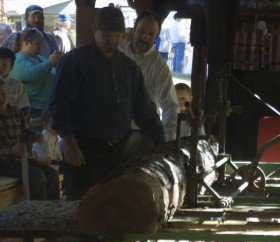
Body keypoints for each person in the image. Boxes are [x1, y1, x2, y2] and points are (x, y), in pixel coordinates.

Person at [48, 5, 166, 201]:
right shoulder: (74, 61)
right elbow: (59, 105)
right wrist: (69, 145)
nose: (112, 41)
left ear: (123, 34)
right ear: (95, 29)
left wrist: (162, 146)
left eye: (117, 35)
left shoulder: (129, 68)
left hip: (119, 152)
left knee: (115, 207)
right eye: (106, 35)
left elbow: (145, 112)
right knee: (82, 208)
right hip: (83, 150)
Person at [119, 11, 179, 142]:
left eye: (151, 34)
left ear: (156, 37)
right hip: (112, 130)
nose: (145, 37)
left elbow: (170, 106)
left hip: (140, 133)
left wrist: (170, 142)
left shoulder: (159, 67)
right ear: (134, 29)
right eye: (141, 31)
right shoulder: (119, 50)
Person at [0, 77, 59, 200]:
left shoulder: (15, 112)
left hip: (19, 159)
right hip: (4, 163)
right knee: (36, 176)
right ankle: (36, 214)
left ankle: (53, 212)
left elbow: (24, 132)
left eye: (3, 93)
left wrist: (35, 136)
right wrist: (11, 150)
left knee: (52, 174)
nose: (1, 98)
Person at [9, 28, 62, 118]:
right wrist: (50, 62)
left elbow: (52, 72)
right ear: (26, 43)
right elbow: (33, 73)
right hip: (33, 108)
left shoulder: (38, 57)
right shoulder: (18, 59)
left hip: (46, 106)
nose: (40, 46)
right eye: (37, 43)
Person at [0, 48, 31, 114]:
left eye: (4, 65)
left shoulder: (18, 85)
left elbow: (25, 108)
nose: (1, 67)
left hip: (13, 121)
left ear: (11, 67)